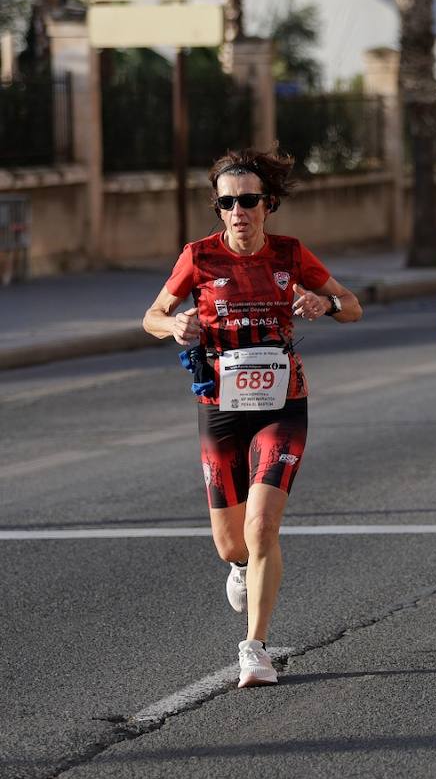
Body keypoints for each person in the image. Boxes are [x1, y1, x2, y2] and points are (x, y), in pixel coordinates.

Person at [142, 148, 363, 688]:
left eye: (248, 200)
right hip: (219, 406)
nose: (238, 211)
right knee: (231, 543)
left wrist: (323, 305)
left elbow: (352, 305)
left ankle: (255, 647)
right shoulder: (198, 256)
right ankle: (241, 568)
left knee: (263, 525)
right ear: (218, 208)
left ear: (269, 204)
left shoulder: (290, 255)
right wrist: (175, 327)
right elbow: (151, 316)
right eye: (227, 202)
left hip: (282, 403)